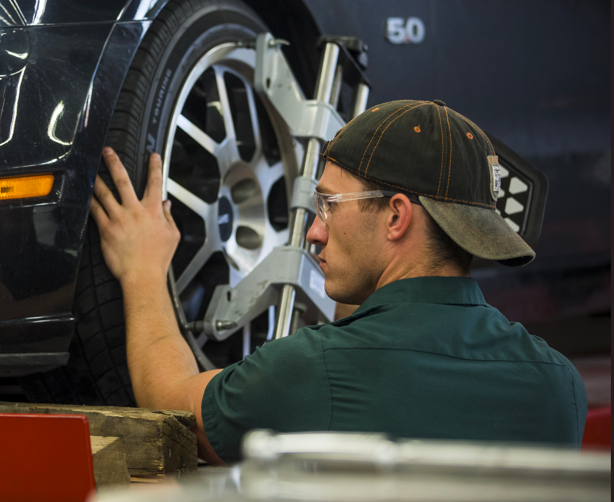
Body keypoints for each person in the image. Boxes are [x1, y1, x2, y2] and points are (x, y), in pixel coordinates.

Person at [89, 99, 587, 464]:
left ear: (396, 217)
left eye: (329, 204)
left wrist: (143, 270)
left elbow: (168, 400)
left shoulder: (314, 370)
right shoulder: (559, 386)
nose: (313, 231)